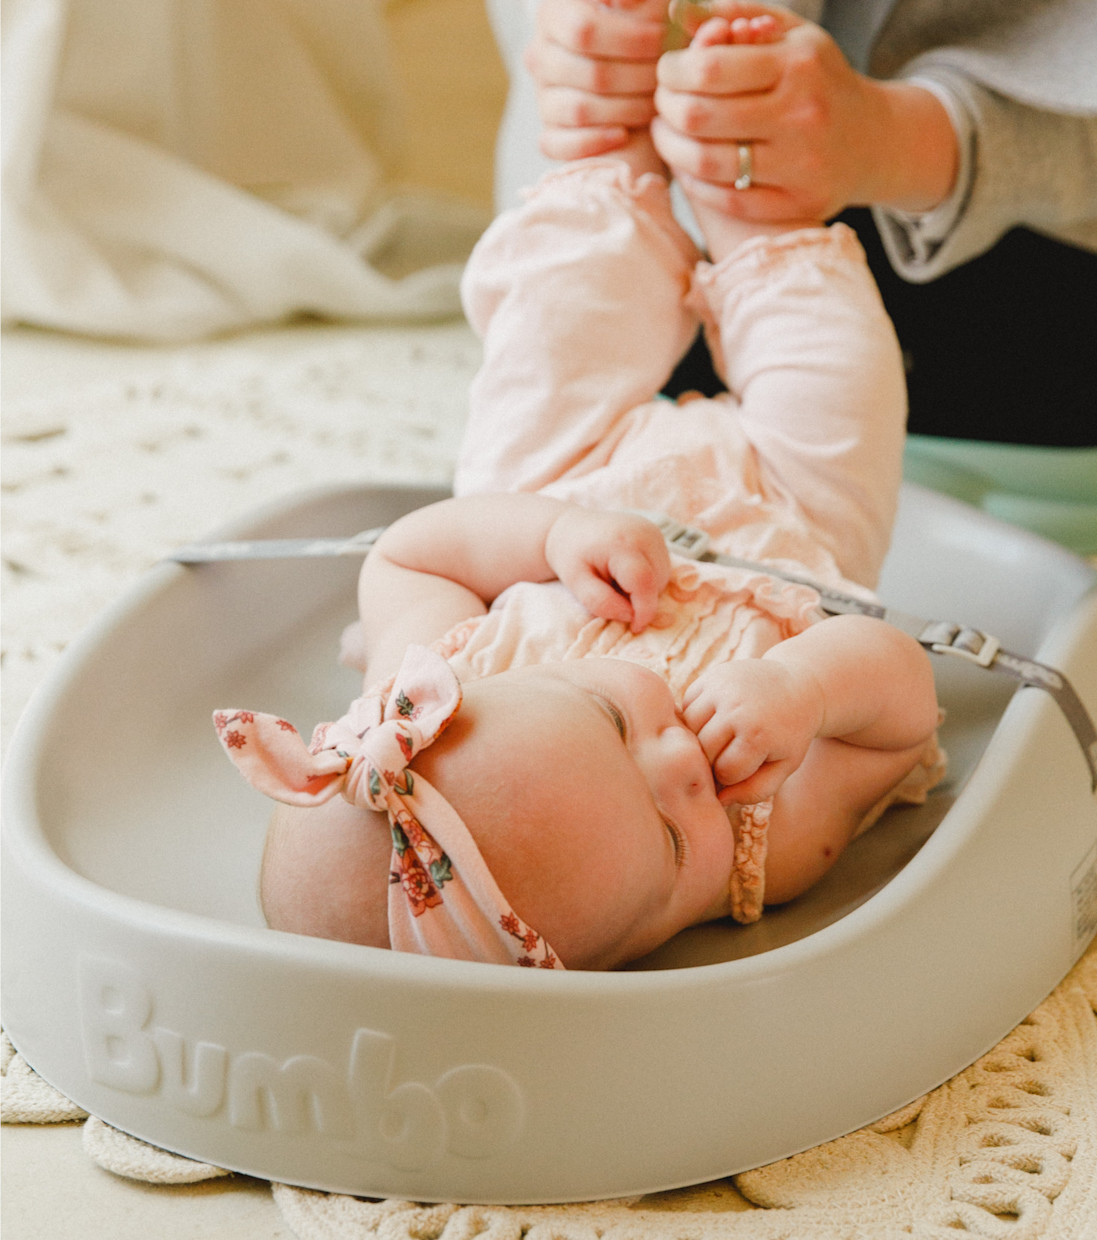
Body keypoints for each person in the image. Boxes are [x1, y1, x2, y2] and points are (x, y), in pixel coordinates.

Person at [215, 14, 943, 972]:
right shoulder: (771, 838)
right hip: (786, 523)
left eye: (612, 724)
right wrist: (799, 689)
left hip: (567, 479)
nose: (684, 763)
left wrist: (556, 534)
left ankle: (614, 159)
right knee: (838, 378)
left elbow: (412, 551)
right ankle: (754, 203)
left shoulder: (436, 686)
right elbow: (903, 707)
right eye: (676, 844)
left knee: (550, 340)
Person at [499, 0, 1097, 447]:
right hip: (649, 197)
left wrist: (889, 140)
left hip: (1061, 219)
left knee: (1058, 384)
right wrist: (591, 54)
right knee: (582, 372)